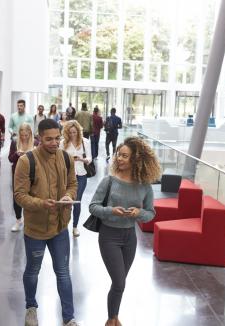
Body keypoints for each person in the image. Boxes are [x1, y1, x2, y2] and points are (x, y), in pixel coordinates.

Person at [89, 137, 161, 326]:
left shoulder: (144, 186)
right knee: (119, 282)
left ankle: (113, 317)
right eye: (118, 155)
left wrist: (139, 213)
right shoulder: (109, 181)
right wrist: (110, 211)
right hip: (109, 236)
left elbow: (151, 213)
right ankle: (111, 320)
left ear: (135, 160)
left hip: (130, 237)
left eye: (124, 156)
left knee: (119, 284)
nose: (119, 159)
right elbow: (93, 207)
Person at [14, 119, 79, 326]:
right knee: (33, 271)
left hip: (60, 226)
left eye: (57, 138)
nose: (54, 142)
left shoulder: (67, 158)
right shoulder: (26, 161)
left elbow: (72, 183)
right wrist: (41, 203)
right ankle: (31, 307)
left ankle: (69, 318)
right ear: (39, 138)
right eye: (48, 139)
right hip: (35, 229)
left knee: (63, 273)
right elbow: (19, 196)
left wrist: (69, 195)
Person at [61, 120, 92, 237]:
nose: (72, 135)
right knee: (66, 200)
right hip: (66, 175)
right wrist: (68, 160)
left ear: (78, 131)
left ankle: (75, 227)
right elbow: (59, 158)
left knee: (77, 201)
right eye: (70, 133)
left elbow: (89, 158)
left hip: (81, 174)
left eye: (74, 132)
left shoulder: (85, 142)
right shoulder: (63, 143)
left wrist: (81, 159)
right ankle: (63, 225)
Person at [9, 123, 38, 232]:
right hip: (17, 173)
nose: (24, 137)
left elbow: (40, 159)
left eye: (26, 135)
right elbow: (10, 159)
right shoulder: (14, 142)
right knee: (17, 196)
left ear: (30, 134)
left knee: (31, 195)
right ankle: (18, 220)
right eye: (22, 135)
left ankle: (29, 220)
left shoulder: (36, 142)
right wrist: (17, 154)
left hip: (32, 173)